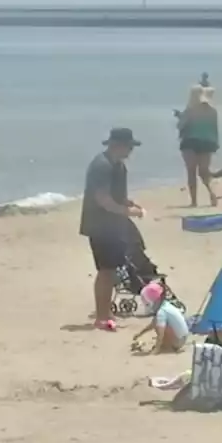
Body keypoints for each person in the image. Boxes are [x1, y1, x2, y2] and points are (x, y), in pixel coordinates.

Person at [79, 128, 145, 331]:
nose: (131, 151)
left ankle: (106, 312)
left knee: (114, 269)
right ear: (117, 144)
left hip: (114, 226)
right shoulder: (101, 165)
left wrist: (130, 204)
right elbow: (103, 199)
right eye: (129, 146)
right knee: (105, 271)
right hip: (99, 225)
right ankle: (101, 316)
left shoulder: (119, 166)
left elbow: (117, 196)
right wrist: (127, 211)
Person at [177, 85, 220, 207]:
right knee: (204, 172)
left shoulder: (190, 109)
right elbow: (215, 129)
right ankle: (212, 193)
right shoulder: (212, 111)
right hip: (207, 142)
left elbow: (181, 126)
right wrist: (216, 143)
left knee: (191, 172)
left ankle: (194, 201)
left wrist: (180, 118)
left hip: (190, 141)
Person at [131, 281, 189, 354]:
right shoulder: (166, 305)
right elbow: (153, 323)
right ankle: (166, 345)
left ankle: (166, 347)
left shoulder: (161, 311)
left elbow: (160, 332)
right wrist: (140, 333)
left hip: (178, 341)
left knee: (159, 326)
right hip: (183, 337)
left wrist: (156, 349)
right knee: (157, 322)